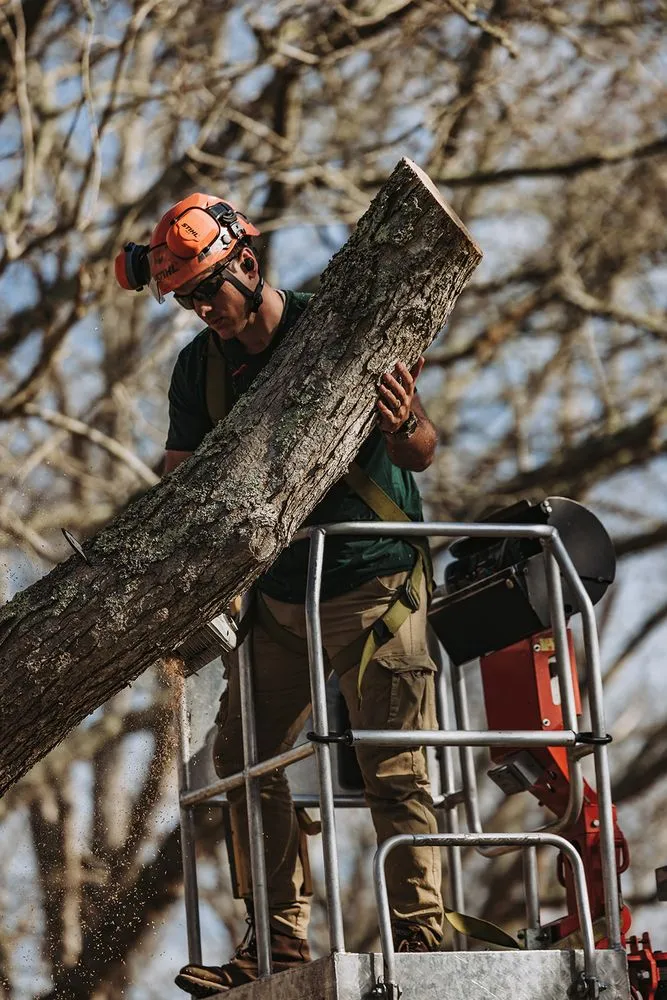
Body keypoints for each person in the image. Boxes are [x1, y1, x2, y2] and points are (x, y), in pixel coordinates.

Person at [115, 194, 444, 998]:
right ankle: (279, 937)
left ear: (246, 265)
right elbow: (180, 474)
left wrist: (405, 425)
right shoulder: (199, 368)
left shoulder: (330, 329)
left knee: (393, 765)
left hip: (373, 585)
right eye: (186, 300)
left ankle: (423, 936)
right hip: (279, 598)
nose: (201, 311)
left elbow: (422, 451)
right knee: (243, 758)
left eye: (206, 292)